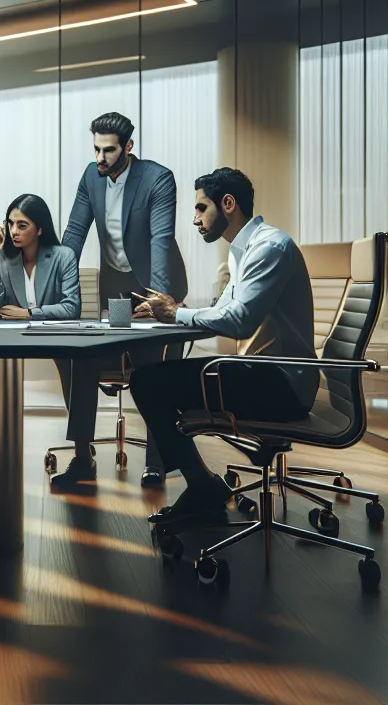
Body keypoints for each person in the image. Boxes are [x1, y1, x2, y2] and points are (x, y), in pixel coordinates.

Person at [128, 167, 317, 526]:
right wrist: (175, 311)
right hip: (267, 375)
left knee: (148, 383)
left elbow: (239, 321)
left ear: (227, 204)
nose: (195, 219)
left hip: (284, 387)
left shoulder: (269, 247)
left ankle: (202, 487)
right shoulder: (243, 250)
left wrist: (178, 314)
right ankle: (201, 485)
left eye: (201, 208)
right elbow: (222, 312)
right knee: (155, 379)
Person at [57, 111, 188, 488]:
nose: (100, 158)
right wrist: (56, 286)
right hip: (115, 288)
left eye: (109, 150)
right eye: (96, 149)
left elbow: (160, 240)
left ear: (128, 147)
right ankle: (83, 458)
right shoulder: (91, 177)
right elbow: (73, 235)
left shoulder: (157, 179)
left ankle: (156, 461)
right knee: (82, 355)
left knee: (152, 369)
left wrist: (159, 301)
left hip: (155, 284)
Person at [0, 194, 80, 321]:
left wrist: (29, 313)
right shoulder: (6, 257)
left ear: (39, 229)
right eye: (10, 224)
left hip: (52, 335)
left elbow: (71, 308)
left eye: (22, 226)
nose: (14, 231)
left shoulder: (63, 256)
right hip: (14, 336)